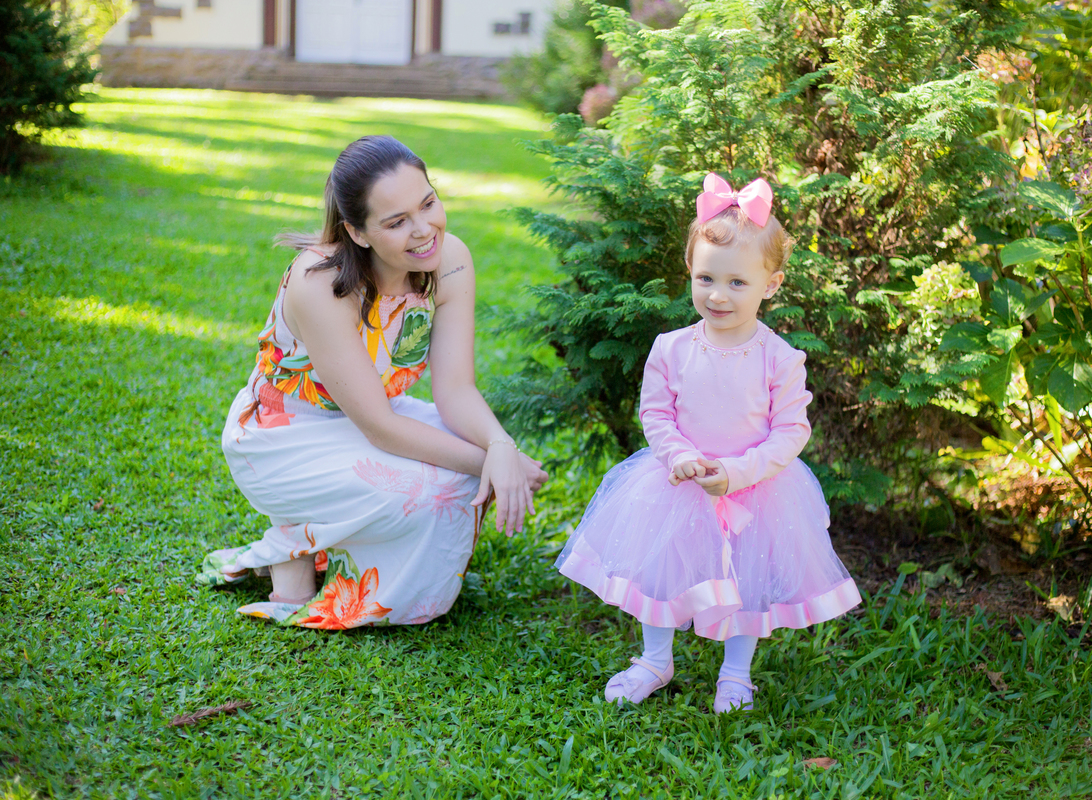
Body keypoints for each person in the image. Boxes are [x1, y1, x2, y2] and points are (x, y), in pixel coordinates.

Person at [195, 135, 547, 629]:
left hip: (369, 417)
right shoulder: (320, 282)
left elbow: (455, 390)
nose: (425, 230)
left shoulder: (451, 260)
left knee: (463, 475)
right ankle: (290, 542)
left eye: (428, 203)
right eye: (396, 221)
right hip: (284, 435)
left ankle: (318, 541)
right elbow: (381, 428)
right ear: (357, 233)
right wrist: (492, 462)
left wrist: (500, 445)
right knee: (435, 491)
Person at [555, 173, 861, 712]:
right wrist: (678, 456)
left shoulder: (780, 359)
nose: (718, 295)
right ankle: (655, 659)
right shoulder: (670, 348)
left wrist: (739, 473)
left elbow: (792, 430)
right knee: (660, 567)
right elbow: (656, 411)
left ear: (771, 284)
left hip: (753, 487)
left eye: (737, 283)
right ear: (690, 274)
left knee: (748, 578)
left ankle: (736, 672)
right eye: (706, 279)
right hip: (678, 481)